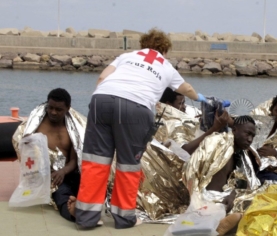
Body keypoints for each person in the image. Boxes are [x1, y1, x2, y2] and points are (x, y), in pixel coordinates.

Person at [74, 28, 207, 229]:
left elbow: (102, 78)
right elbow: (186, 89)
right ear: (165, 50)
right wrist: (201, 98)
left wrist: (103, 103)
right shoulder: (166, 65)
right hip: (136, 108)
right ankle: (125, 218)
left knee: (96, 160)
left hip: (102, 100)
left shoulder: (127, 56)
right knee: (128, 164)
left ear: (143, 45)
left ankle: (87, 217)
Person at [12, 88, 85, 222]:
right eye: (50, 108)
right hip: (49, 176)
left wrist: (63, 171)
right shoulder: (37, 126)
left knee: (89, 185)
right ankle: (72, 210)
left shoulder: (73, 130)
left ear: (68, 108)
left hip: (68, 172)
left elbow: (74, 160)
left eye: (58, 110)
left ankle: (80, 203)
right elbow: (27, 154)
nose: (53, 112)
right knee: (61, 193)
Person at [183, 115, 260, 214]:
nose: (250, 139)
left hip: (223, 200)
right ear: (235, 130)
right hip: (206, 202)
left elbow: (247, 185)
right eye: (247, 133)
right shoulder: (217, 142)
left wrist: (234, 194)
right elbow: (188, 158)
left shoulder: (242, 155)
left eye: (252, 136)